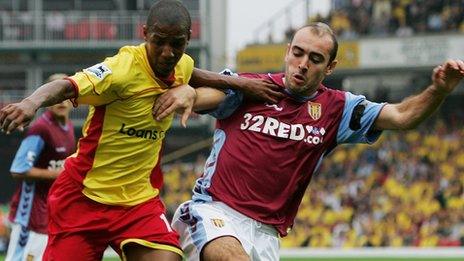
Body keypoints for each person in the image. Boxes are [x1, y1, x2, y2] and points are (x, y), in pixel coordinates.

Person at [155, 22, 464, 260]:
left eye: (315, 58)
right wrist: (190, 94)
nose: (302, 64)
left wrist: (438, 90)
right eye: (298, 53)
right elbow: (206, 96)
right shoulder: (251, 87)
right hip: (212, 211)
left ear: (330, 67)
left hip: (266, 234)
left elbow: (401, 116)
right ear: (288, 51)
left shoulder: (338, 109)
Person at [0, 1, 283, 260]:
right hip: (83, 198)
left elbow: (192, 72)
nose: (167, 53)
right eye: (159, 42)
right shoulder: (120, 69)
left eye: (177, 44)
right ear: (145, 33)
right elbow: (66, 85)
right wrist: (30, 102)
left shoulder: (180, 64)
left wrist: (242, 84)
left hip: (137, 202)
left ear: (188, 39)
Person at [5, 74, 75, 261]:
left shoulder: (68, 128)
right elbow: (18, 169)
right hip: (30, 214)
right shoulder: (41, 129)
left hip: (49, 212)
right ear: (49, 99)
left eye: (65, 95)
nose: (61, 101)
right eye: (57, 96)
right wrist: (62, 174)